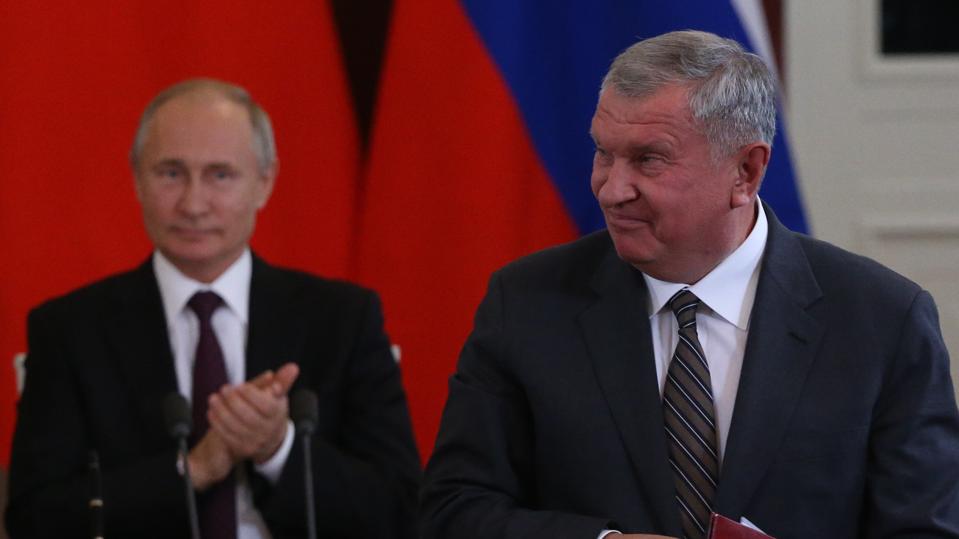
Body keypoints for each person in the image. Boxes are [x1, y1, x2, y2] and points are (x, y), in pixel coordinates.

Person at [420, 30, 959, 539]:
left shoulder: (882, 319)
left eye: (648, 160)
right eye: (604, 153)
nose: (610, 189)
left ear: (746, 172)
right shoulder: (526, 303)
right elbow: (453, 509)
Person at [6, 79, 421, 538]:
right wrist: (195, 468)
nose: (193, 204)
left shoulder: (342, 320)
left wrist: (277, 448)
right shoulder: (70, 331)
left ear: (264, 182)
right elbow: (34, 518)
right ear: (137, 178)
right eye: (170, 173)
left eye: (220, 175)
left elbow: (400, 510)